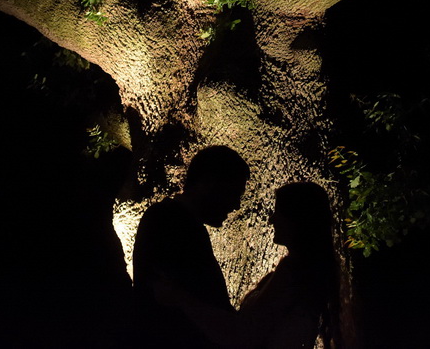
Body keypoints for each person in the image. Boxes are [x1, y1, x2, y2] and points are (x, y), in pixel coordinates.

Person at [158, 181, 340, 349]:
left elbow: (242, 334)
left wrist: (181, 299)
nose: (271, 220)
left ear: (296, 220)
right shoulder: (312, 272)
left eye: (278, 213)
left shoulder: (293, 271)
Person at [131, 145, 251, 349]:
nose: (236, 205)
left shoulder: (171, 219)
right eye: (234, 193)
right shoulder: (173, 223)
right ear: (209, 182)